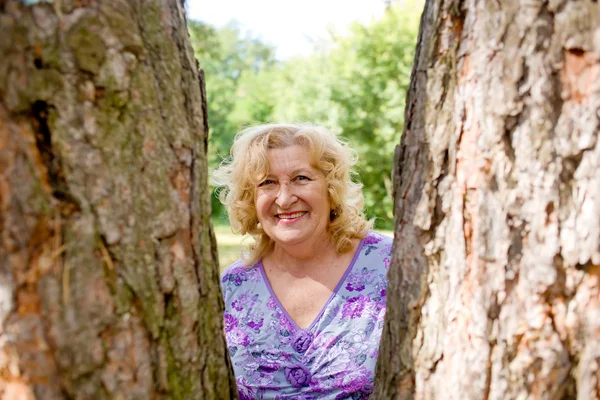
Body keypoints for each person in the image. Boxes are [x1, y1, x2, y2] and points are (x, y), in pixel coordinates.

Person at [212, 124, 392, 399]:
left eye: (301, 178)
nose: (284, 199)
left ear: (331, 188)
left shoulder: (390, 264)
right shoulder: (231, 287)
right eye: (267, 183)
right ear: (250, 197)